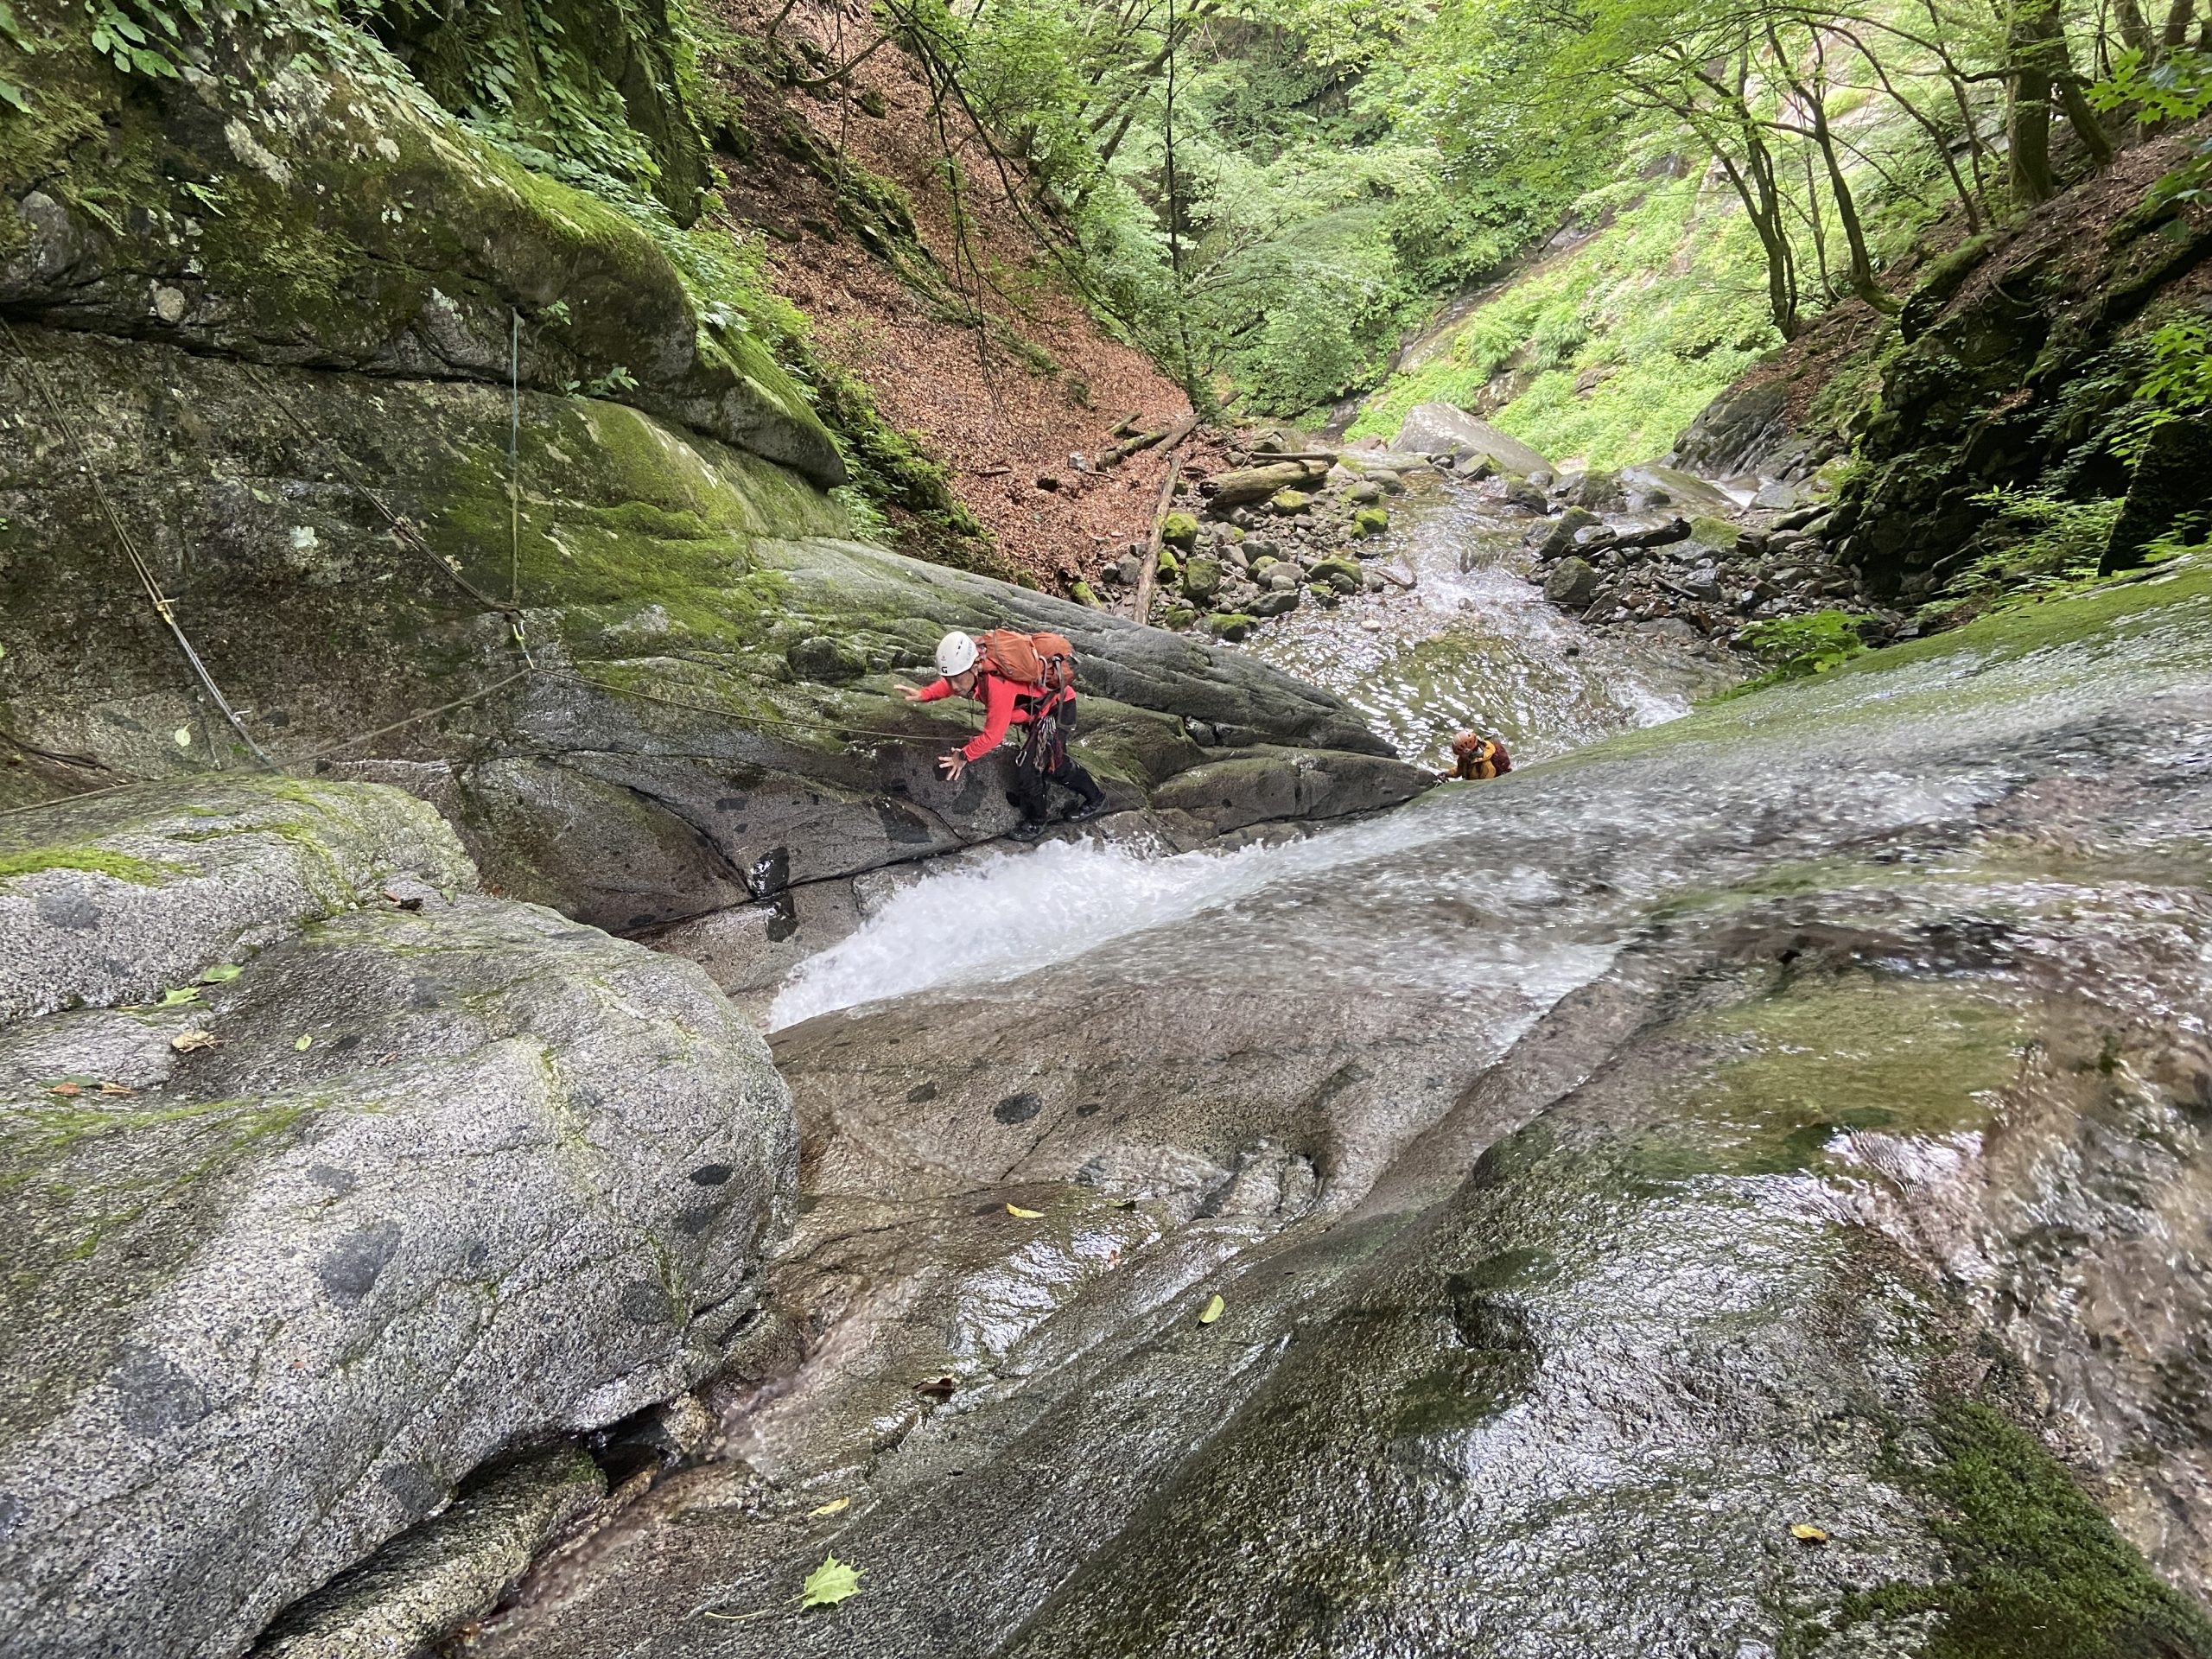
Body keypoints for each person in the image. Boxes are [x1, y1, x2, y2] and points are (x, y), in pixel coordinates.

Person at [903, 631, 1108, 839]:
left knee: (1038, 767)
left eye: (957, 679)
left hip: (1057, 709)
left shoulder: (997, 685)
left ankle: (1047, 817)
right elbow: (951, 685)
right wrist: (926, 694)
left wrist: (963, 757)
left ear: (974, 667)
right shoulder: (975, 667)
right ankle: (1066, 794)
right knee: (1045, 760)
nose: (954, 686)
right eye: (949, 679)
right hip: (1037, 711)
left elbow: (993, 737)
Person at [1441, 730, 1512, 780]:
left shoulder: (1487, 766)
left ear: (1468, 751)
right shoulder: (1466, 758)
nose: (1460, 756)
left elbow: (1484, 785)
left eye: (1462, 754)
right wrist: (1447, 774)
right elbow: (1460, 770)